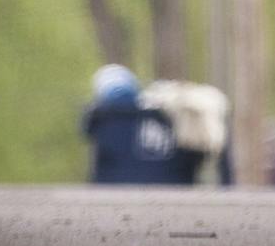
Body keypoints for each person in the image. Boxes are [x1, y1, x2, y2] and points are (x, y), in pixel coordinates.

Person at [80, 64, 231, 185]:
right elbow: (199, 156)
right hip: (177, 186)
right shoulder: (176, 113)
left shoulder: (103, 118)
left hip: (115, 187)